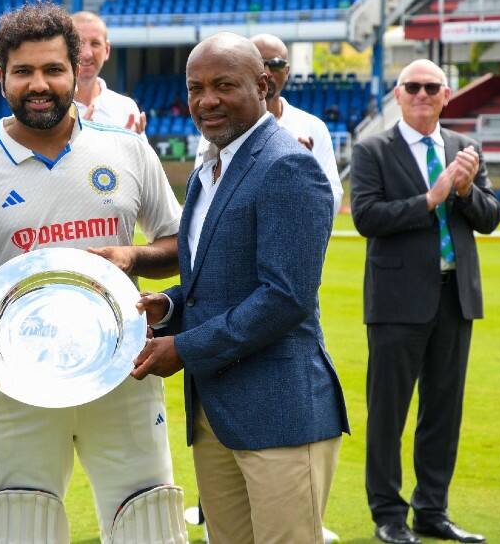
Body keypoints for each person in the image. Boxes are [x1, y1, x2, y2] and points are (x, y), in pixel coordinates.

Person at [0, 2, 188, 544]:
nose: (38, 84)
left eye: (52, 69)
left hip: (123, 370)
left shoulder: (128, 150)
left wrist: (131, 258)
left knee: (149, 520)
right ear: (1, 78)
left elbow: (181, 245)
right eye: (23, 71)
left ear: (76, 70)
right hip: (18, 380)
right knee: (25, 522)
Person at [133, 32, 349, 544]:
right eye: (195, 87)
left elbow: (284, 297)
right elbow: (213, 282)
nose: (206, 100)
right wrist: (168, 305)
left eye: (224, 85)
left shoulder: (288, 165)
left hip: (279, 414)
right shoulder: (212, 168)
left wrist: (182, 347)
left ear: (264, 84)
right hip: (215, 411)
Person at [351, 59, 500, 544]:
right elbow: (367, 218)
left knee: (443, 410)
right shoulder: (373, 148)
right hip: (397, 301)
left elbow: (490, 217)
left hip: (455, 297)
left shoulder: (464, 149)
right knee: (388, 413)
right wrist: (431, 199)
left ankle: (432, 511)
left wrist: (462, 193)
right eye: (412, 86)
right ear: (398, 95)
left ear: (446, 95)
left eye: (431, 87)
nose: (421, 94)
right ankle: (388, 516)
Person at [196, 33, 343, 214]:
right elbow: (204, 198)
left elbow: (332, 202)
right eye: (257, 63)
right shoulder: (221, 126)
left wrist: (307, 170)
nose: (266, 71)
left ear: (287, 71)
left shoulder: (313, 128)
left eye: (275, 64)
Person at [71, 11, 146, 133]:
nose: (87, 54)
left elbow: (140, 152)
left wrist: (131, 148)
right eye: (78, 44)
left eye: (95, 44)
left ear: (107, 50)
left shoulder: (126, 108)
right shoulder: (50, 109)